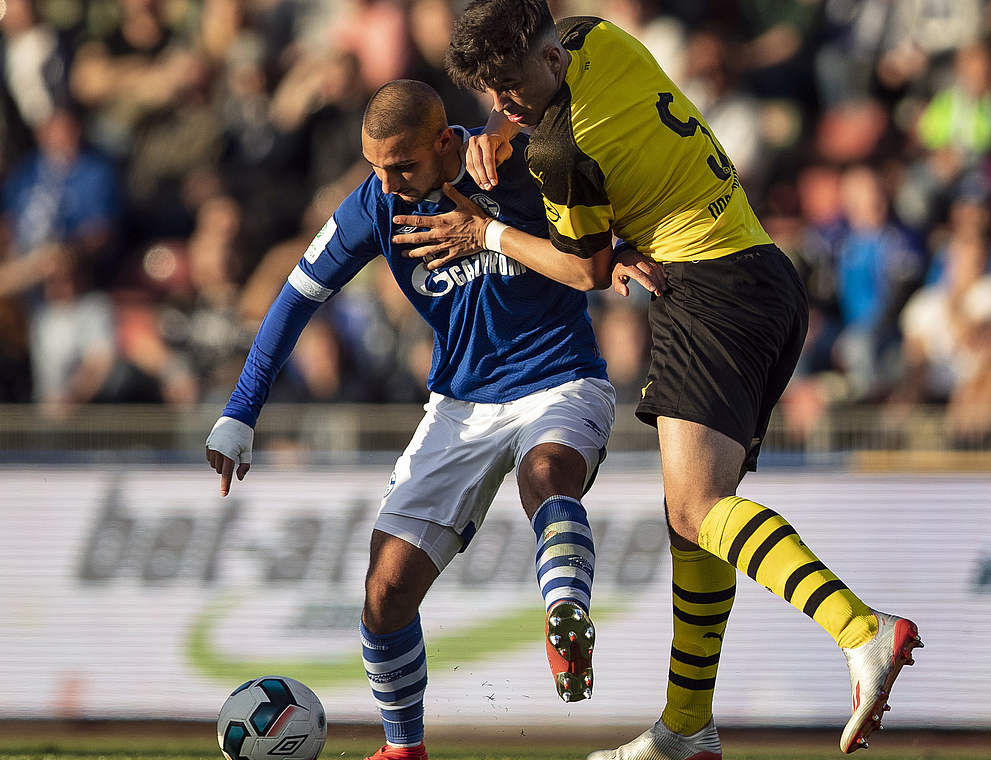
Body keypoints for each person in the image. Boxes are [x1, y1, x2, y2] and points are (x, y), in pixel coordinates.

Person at [394, 3, 922, 756]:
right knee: (693, 519)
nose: (505, 108)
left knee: (699, 507)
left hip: (706, 293)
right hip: (762, 273)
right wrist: (501, 133)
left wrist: (486, 232)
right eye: (492, 97)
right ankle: (685, 726)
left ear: (543, 61)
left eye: (510, 91)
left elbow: (582, 269)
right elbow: (555, 131)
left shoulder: (561, 152)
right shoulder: (592, 36)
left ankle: (861, 629)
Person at [203, 80, 662, 760]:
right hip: (460, 405)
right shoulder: (373, 206)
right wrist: (241, 409)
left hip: (562, 378)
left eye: (402, 166)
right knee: (385, 591)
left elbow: (601, 223)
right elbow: (297, 294)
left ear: (446, 142)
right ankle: (404, 750)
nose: (387, 184)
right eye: (375, 167)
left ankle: (565, 613)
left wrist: (619, 247)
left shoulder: (521, 167)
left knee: (547, 473)